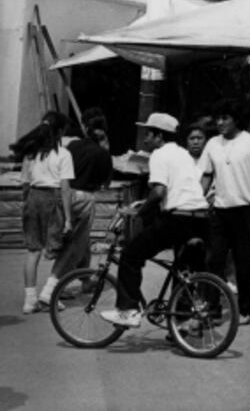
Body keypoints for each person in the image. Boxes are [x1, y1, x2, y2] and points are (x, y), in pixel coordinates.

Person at [101, 113, 211, 327]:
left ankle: (129, 309)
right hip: (200, 218)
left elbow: (159, 192)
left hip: (178, 218)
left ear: (159, 136)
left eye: (148, 134)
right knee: (183, 270)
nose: (145, 139)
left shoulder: (159, 155)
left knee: (130, 256)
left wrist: (139, 212)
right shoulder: (185, 155)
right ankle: (180, 325)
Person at [198, 99, 250, 325]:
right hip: (219, 212)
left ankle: (245, 309)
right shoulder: (212, 144)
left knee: (243, 264)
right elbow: (207, 174)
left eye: (225, 118)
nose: (220, 123)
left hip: (245, 212)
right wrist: (198, 200)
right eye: (217, 119)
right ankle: (214, 309)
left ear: (235, 120)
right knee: (214, 262)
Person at [38, 111, 113, 308]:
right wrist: (106, 150)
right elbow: (106, 183)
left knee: (82, 241)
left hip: (66, 194)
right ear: (103, 132)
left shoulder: (72, 146)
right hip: (85, 197)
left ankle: (85, 280)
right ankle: (50, 289)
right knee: (73, 246)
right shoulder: (103, 154)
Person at [11, 112, 74, 314]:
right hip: (53, 199)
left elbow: (25, 184)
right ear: (60, 132)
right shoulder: (63, 154)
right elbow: (65, 187)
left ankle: (30, 300)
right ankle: (50, 291)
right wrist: (68, 218)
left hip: (33, 197)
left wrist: (27, 203)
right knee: (63, 246)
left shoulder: (31, 154)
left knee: (33, 250)